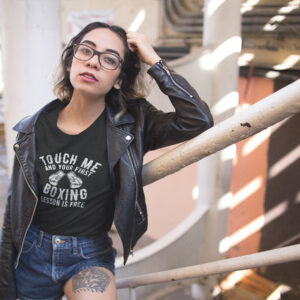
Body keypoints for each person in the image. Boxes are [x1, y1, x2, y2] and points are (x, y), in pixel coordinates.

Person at [0, 21, 213, 300]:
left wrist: (154, 61)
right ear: (70, 62)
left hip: (86, 256)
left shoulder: (134, 122)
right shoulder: (32, 129)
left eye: (110, 59)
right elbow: (13, 212)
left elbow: (197, 120)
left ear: (119, 80)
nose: (93, 63)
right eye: (86, 51)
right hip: (31, 254)